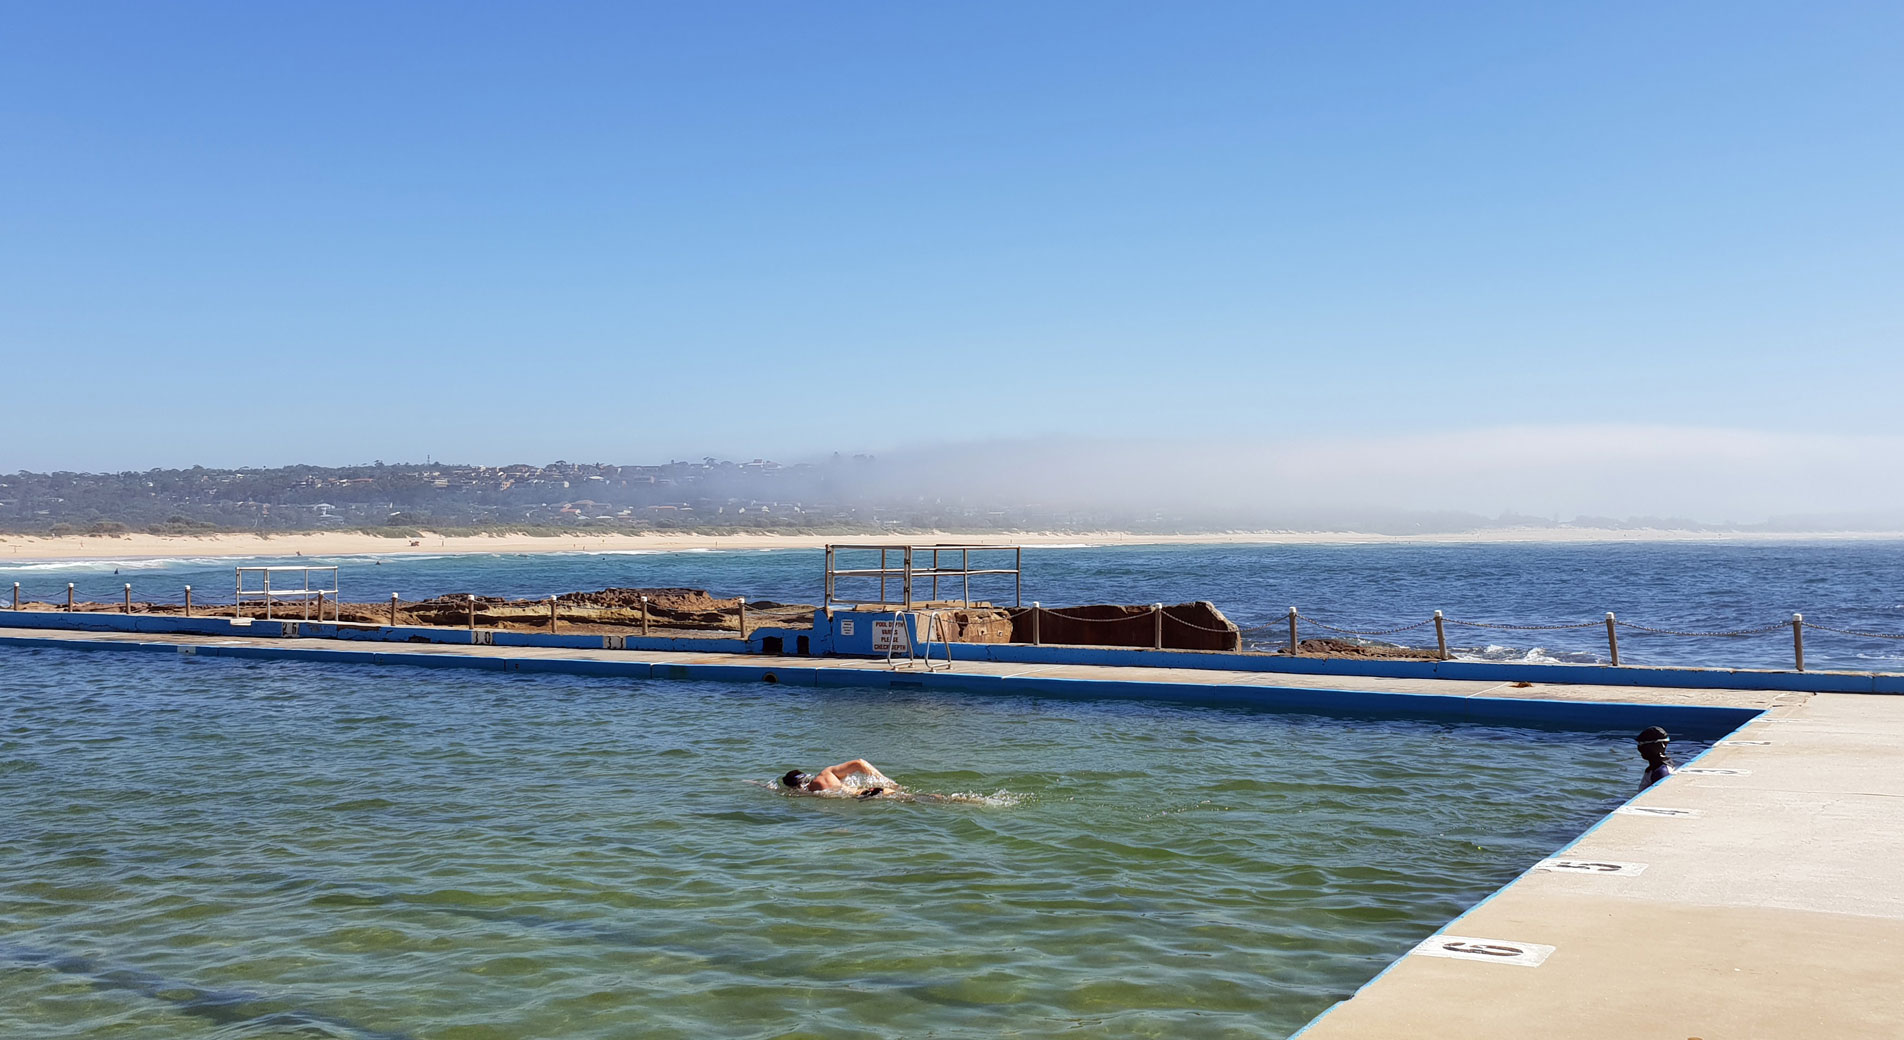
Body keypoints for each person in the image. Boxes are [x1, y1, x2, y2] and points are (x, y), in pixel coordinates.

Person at [781, 759, 896, 798]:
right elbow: (859, 763)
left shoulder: (808, 793)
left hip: (867, 797)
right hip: (876, 791)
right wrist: (888, 781)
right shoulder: (826, 773)